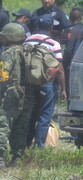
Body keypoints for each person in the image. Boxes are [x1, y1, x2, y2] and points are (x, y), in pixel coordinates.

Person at [24, 14, 66, 150]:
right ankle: (39, 146)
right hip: (46, 84)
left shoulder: (27, 40)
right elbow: (59, 69)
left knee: (30, 113)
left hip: (29, 83)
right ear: (51, 27)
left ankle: (26, 143)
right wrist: (63, 89)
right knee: (45, 114)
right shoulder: (54, 44)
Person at [0, 24, 37, 168]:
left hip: (12, 94)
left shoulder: (8, 53)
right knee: (21, 127)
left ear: (9, 36)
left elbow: (3, 75)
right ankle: (17, 159)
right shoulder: (27, 51)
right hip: (28, 94)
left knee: (3, 124)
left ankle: (1, 159)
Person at [63, 8, 83, 97]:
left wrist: (63, 63)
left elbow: (68, 50)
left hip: (72, 65)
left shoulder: (71, 31)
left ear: (70, 18)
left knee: (71, 91)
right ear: (81, 17)